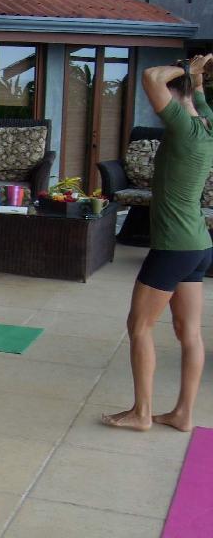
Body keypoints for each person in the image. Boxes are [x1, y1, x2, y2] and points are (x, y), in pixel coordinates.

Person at [102, 54, 213, 432]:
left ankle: (142, 413)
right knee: (189, 333)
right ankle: (183, 413)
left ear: (172, 94)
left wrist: (185, 68)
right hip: (198, 244)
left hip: (175, 246)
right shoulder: (206, 124)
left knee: (139, 326)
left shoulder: (183, 127)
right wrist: (196, 78)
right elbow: (198, 99)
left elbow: (151, 76)